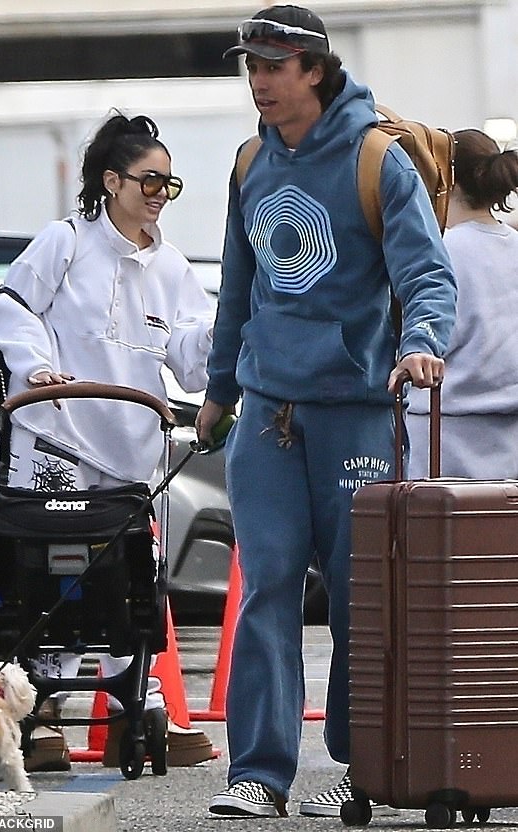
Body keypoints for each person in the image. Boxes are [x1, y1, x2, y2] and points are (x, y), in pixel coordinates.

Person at [195, 5, 457, 818]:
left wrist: (420, 341)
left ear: (314, 69)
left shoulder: (378, 160)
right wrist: (217, 391)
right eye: (250, 66)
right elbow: (238, 290)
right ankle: (260, 775)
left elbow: (429, 276)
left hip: (354, 411)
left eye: (273, 66)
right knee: (266, 587)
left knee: (358, 599)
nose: (258, 82)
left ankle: (361, 765)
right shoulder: (248, 164)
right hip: (269, 412)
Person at [0, 111, 215, 771]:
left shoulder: (170, 265)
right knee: (43, 577)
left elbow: (192, 353)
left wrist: (227, 332)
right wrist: (35, 366)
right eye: (148, 180)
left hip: (129, 449)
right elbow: (10, 307)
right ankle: (40, 716)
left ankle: (131, 709)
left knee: (123, 585)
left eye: (169, 184)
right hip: (53, 438)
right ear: (111, 181)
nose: (158, 194)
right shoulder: (65, 241)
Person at [407, 129, 518, 478]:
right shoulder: (513, 245)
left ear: (443, 178)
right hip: (509, 439)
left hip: (441, 436)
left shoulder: (439, 251)